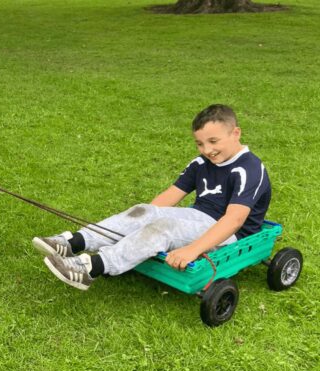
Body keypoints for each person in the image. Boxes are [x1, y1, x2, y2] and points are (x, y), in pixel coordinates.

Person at [33, 104, 271, 290]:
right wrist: (140, 221)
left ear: (235, 133)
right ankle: (74, 242)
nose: (207, 150)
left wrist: (193, 249)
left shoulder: (249, 168)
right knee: (143, 211)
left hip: (229, 233)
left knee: (165, 228)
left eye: (213, 141)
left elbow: (234, 220)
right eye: (200, 143)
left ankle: (92, 268)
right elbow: (170, 196)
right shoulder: (201, 162)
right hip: (198, 215)